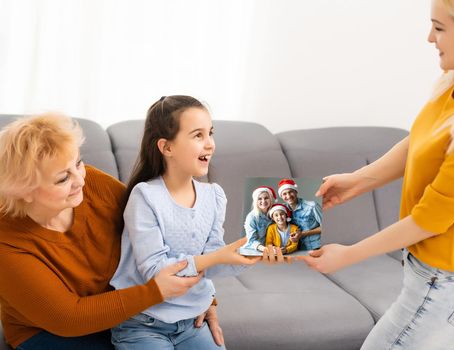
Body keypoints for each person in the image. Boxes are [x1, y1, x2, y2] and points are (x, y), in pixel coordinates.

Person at [299, 0, 454, 349]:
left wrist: (348, 255)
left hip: (450, 288)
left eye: (439, 28)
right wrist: (359, 180)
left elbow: (428, 220)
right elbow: (420, 143)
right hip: (440, 281)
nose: (429, 38)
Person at [0, 113, 225, 349]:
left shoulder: (96, 185)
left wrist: (203, 297)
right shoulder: (7, 242)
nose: (80, 180)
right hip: (52, 331)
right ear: (23, 191)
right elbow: (68, 317)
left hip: (127, 310)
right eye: (63, 178)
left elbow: (160, 233)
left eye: (78, 163)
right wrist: (156, 291)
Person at [110, 95, 259, 350]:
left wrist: (251, 253)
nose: (210, 144)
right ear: (166, 147)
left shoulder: (214, 196)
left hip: (193, 322)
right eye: (198, 135)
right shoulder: (145, 196)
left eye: (210, 133)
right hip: (142, 325)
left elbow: (212, 263)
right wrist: (218, 257)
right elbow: (156, 270)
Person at [277, 179, 322, 250]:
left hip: (316, 246)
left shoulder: (312, 206)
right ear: (281, 196)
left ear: (296, 192)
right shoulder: (282, 210)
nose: (288, 196)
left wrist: (303, 234)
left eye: (290, 192)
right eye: (284, 194)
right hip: (295, 248)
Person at [242, 186, 277, 252]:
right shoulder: (251, 217)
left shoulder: (275, 214)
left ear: (270, 199)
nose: (263, 201)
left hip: (273, 249)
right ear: (256, 201)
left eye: (266, 198)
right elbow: (251, 241)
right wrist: (265, 249)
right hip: (255, 251)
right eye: (259, 199)